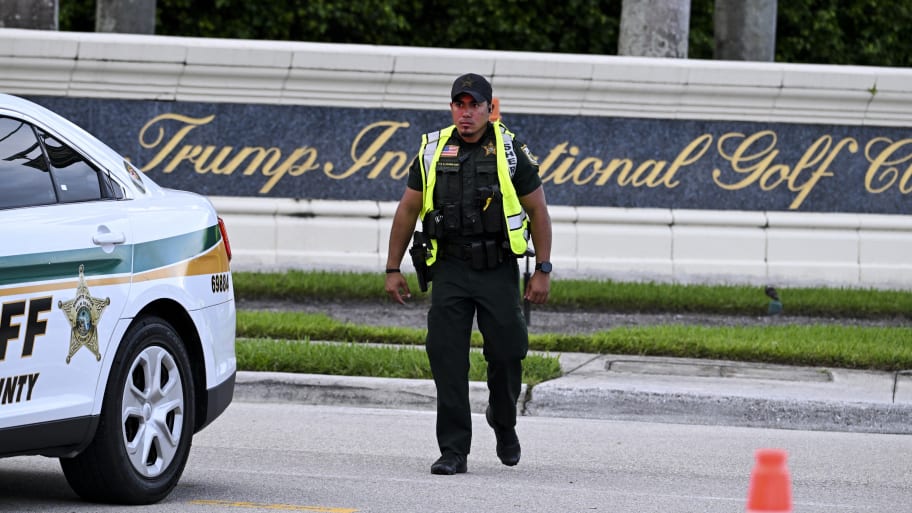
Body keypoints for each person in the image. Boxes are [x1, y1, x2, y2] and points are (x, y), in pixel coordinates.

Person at [384, 73, 553, 475]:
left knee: (510, 351)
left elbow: (538, 211)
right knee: (446, 357)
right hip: (450, 269)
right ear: (451, 108)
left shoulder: (510, 150)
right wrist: (392, 267)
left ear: (488, 109)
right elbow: (408, 209)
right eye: (459, 104)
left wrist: (543, 269)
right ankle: (453, 450)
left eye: (474, 105)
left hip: (497, 268)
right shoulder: (431, 149)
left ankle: (503, 417)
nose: (466, 112)